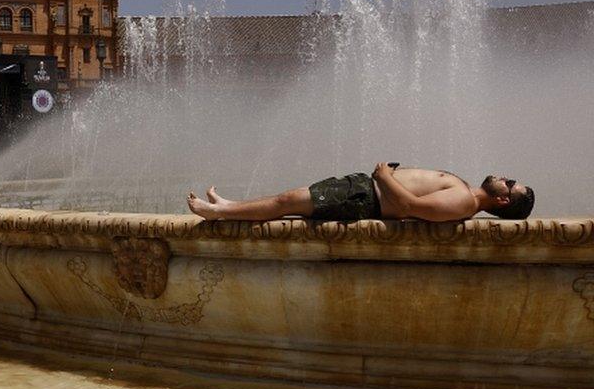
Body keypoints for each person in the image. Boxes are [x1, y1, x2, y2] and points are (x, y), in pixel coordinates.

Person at [187, 165, 535, 222]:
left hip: (364, 198)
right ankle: (231, 205)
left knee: (286, 203)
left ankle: (218, 213)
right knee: (288, 197)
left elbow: (411, 206)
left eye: (510, 184)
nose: (505, 178)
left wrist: (384, 176)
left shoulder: (464, 201)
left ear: (502, 201)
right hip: (363, 189)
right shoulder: (466, 192)